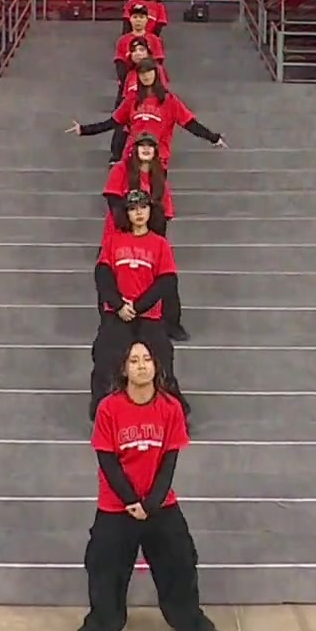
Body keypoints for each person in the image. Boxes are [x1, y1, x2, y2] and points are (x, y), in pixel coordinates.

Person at [78, 339, 219, 631]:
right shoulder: (108, 408)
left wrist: (152, 503)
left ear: (156, 366)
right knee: (102, 564)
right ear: (124, 369)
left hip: (159, 504)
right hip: (117, 505)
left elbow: (169, 461)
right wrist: (131, 501)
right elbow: (107, 461)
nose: (141, 366)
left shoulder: (171, 409)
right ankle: (101, 624)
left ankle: (190, 622)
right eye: (134, 361)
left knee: (181, 559)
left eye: (146, 360)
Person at [90, 190, 187, 420]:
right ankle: (102, 415)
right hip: (117, 314)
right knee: (105, 359)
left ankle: (172, 415)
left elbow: (166, 281)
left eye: (143, 208)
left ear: (151, 211)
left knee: (162, 361)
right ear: (126, 214)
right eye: (133, 209)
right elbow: (103, 276)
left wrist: (138, 306)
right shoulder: (113, 241)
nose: (139, 213)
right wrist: (118, 305)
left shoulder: (160, 244)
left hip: (149, 315)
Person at [105, 134, 188, 342]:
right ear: (134, 150)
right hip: (119, 233)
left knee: (167, 279)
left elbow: (164, 213)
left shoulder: (159, 178)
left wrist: (153, 241)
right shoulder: (121, 170)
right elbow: (113, 200)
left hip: (150, 235)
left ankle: (171, 323)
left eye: (150, 146)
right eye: (141, 145)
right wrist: (128, 228)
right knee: (109, 277)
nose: (146, 149)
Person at [69, 60, 227, 166]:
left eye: (149, 72)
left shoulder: (169, 100)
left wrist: (213, 138)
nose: (145, 76)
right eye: (142, 73)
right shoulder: (132, 99)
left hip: (158, 158)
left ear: (156, 74)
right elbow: (113, 122)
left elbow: (190, 124)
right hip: (133, 157)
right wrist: (84, 129)